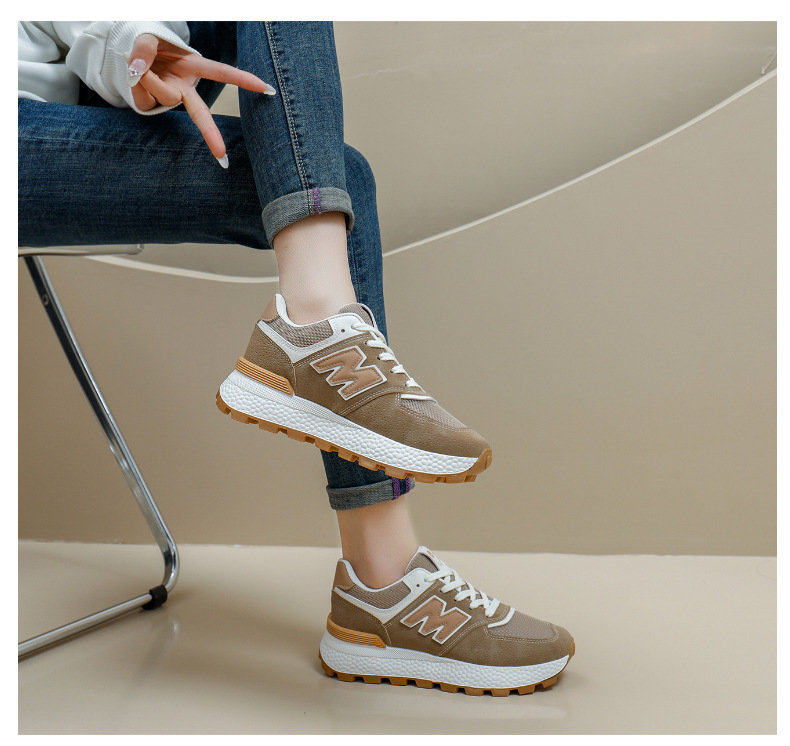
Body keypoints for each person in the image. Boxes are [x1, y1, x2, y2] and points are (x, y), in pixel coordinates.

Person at [18, 21, 574, 696]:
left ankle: (375, 572)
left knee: (338, 183)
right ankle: (320, 347)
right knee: (332, 183)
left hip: (61, 104)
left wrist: (133, 45)